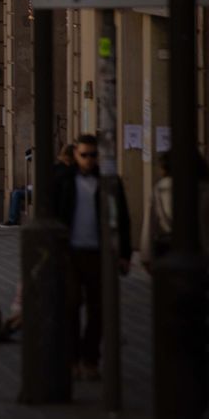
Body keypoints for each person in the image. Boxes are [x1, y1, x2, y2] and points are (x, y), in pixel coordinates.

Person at [55, 134, 132, 381]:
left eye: (93, 155)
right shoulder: (64, 180)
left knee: (99, 310)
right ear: (75, 154)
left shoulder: (109, 182)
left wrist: (125, 254)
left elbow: (123, 219)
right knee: (70, 307)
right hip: (71, 253)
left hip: (100, 254)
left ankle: (90, 359)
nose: (89, 160)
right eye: (84, 155)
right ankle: (72, 359)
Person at [140, 151, 209, 272]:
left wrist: (146, 255)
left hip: (166, 247)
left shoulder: (161, 188)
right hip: (197, 247)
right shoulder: (204, 188)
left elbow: (150, 223)